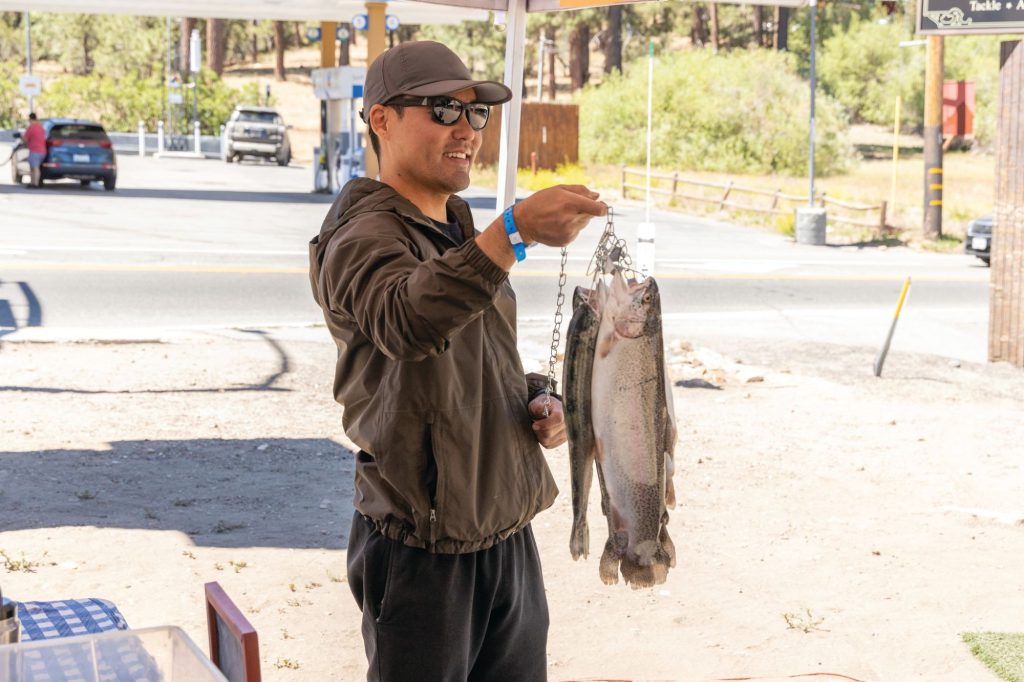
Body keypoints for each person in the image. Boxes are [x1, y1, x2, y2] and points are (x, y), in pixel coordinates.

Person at [308, 40, 606, 682]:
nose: (466, 130)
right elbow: (407, 320)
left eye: (477, 115)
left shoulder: (459, 229)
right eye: (443, 110)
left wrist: (533, 400)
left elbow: (464, 363)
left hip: (504, 532)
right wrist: (515, 231)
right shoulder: (362, 235)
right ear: (381, 119)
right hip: (423, 549)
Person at [23, 113, 46, 188]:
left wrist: (22, 139)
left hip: (35, 151)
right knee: (33, 167)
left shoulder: (31, 128)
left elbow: (25, 139)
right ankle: (33, 183)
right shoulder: (41, 128)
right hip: (43, 151)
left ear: (30, 119)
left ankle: (35, 184)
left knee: (35, 168)